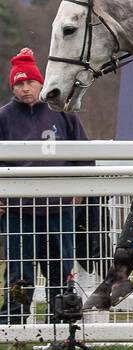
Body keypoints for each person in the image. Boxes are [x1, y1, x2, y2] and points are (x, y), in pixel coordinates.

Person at [0, 48, 89, 324]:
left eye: (30, 82)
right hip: (17, 210)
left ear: (41, 83)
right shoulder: (3, 118)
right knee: (19, 271)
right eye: (19, 83)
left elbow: (84, 155)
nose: (25, 89)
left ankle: (61, 322)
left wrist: (81, 191)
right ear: (13, 86)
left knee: (60, 268)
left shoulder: (62, 113)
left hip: (60, 207)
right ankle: (13, 325)